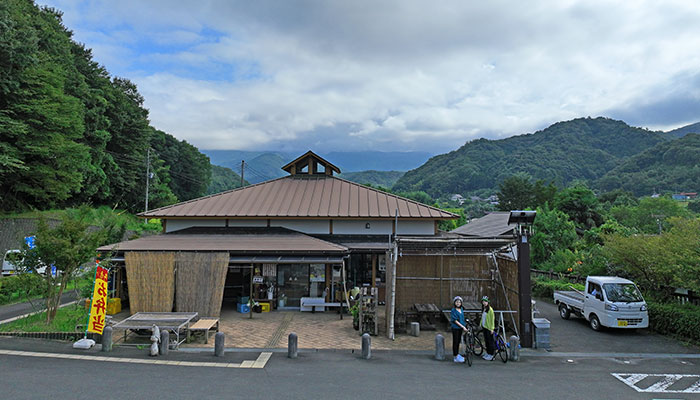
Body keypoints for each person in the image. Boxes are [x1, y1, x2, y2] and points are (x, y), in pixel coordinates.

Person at [450, 296, 468, 363]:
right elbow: (455, 320)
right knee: (456, 342)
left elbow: (462, 319)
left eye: (459, 302)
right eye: (457, 302)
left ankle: (457, 354)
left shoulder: (462, 309)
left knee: (458, 341)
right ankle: (455, 356)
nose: (458, 303)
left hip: (461, 328)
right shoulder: (453, 310)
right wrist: (463, 327)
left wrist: (464, 326)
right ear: (454, 303)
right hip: (456, 328)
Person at [480, 295, 496, 361]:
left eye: (485, 302)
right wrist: (480, 324)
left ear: (488, 302)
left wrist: (492, 328)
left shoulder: (490, 310)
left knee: (490, 341)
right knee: (486, 341)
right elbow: (483, 318)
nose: (484, 303)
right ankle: (488, 353)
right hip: (485, 327)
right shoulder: (484, 309)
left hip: (489, 328)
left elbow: (492, 319)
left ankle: (491, 354)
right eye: (483, 301)